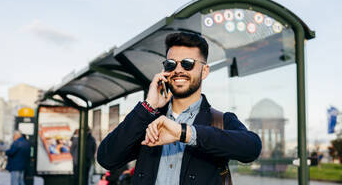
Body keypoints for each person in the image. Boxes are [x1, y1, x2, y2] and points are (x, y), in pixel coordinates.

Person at [97, 32, 262, 184]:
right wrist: (148, 106)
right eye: (170, 64)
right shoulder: (149, 118)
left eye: (187, 64)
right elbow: (106, 158)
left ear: (204, 71)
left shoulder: (220, 120)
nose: (178, 70)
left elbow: (252, 147)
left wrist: (184, 133)